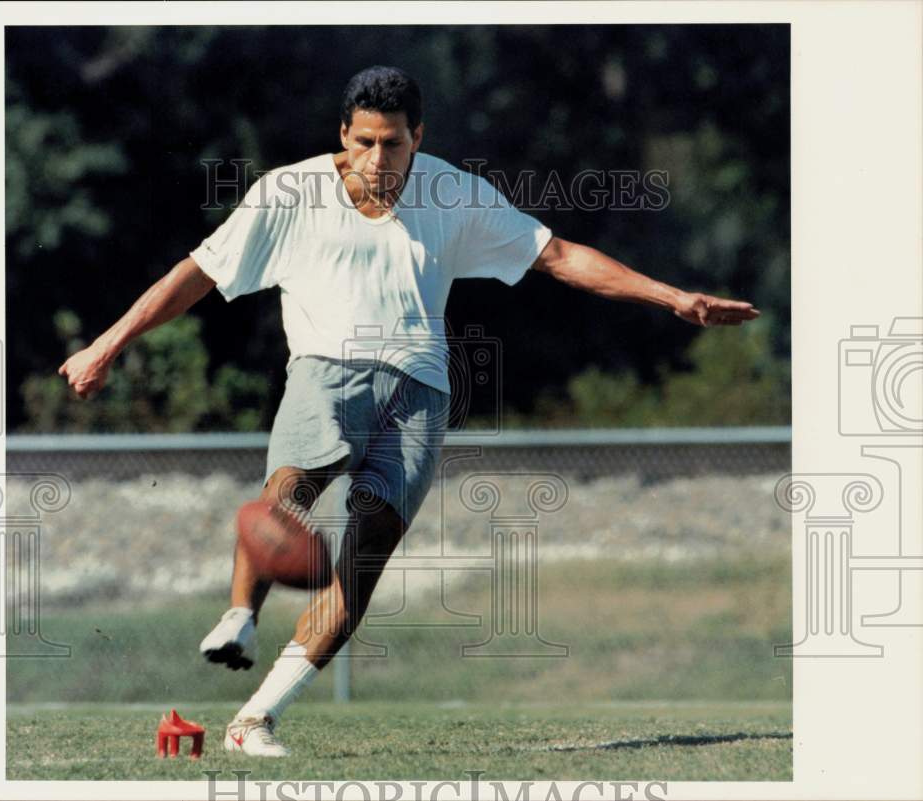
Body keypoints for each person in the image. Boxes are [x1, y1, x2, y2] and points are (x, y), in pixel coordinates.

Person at [58, 65, 760, 757]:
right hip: (325, 374)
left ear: (417, 137)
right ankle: (241, 614)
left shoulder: (453, 194)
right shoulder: (289, 193)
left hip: (419, 395)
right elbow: (198, 274)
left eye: (393, 143)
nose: (377, 158)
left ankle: (253, 720)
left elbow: (559, 255)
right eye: (363, 141)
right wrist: (108, 344)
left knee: (358, 567)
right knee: (289, 497)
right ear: (343, 133)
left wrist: (672, 297)